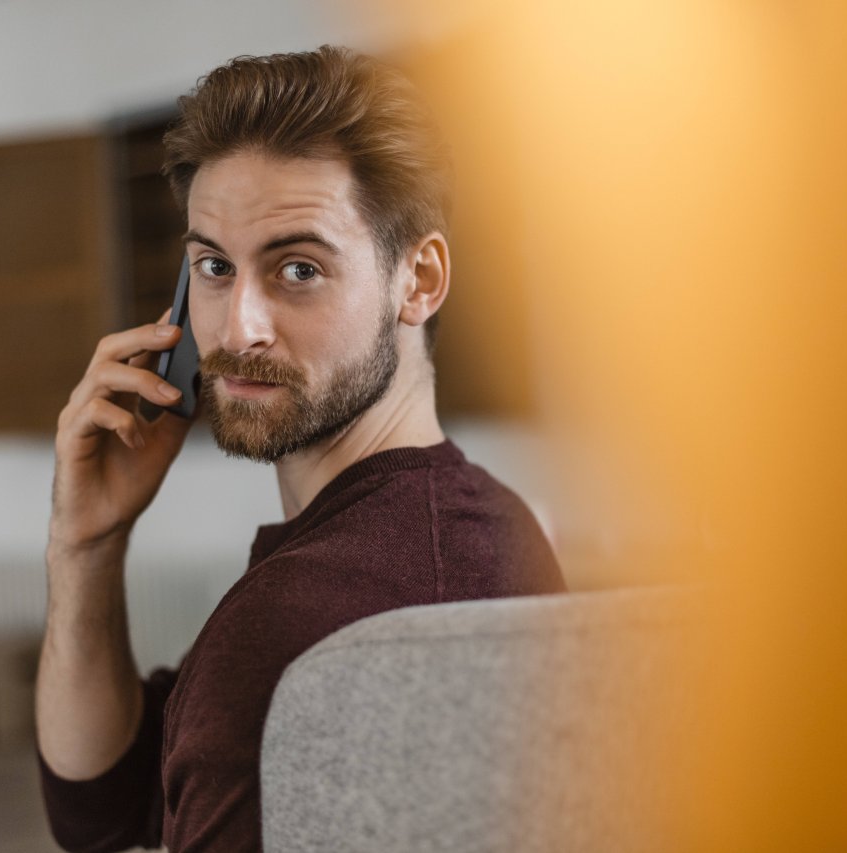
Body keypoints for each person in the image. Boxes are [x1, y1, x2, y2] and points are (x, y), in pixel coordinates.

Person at [35, 45, 565, 853]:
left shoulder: (290, 623)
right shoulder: (490, 521)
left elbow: (97, 825)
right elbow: (110, 802)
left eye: (298, 268)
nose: (238, 325)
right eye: (214, 264)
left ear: (417, 280)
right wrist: (87, 544)